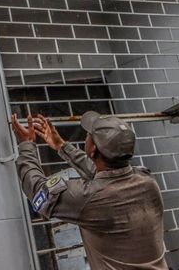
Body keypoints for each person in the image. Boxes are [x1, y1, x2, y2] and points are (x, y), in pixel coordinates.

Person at [11, 112, 168, 270]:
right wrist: (62, 146)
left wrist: (26, 145)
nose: (86, 137)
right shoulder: (148, 182)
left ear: (92, 148)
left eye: (88, 135)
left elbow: (37, 190)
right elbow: (103, 174)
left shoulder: (89, 198)